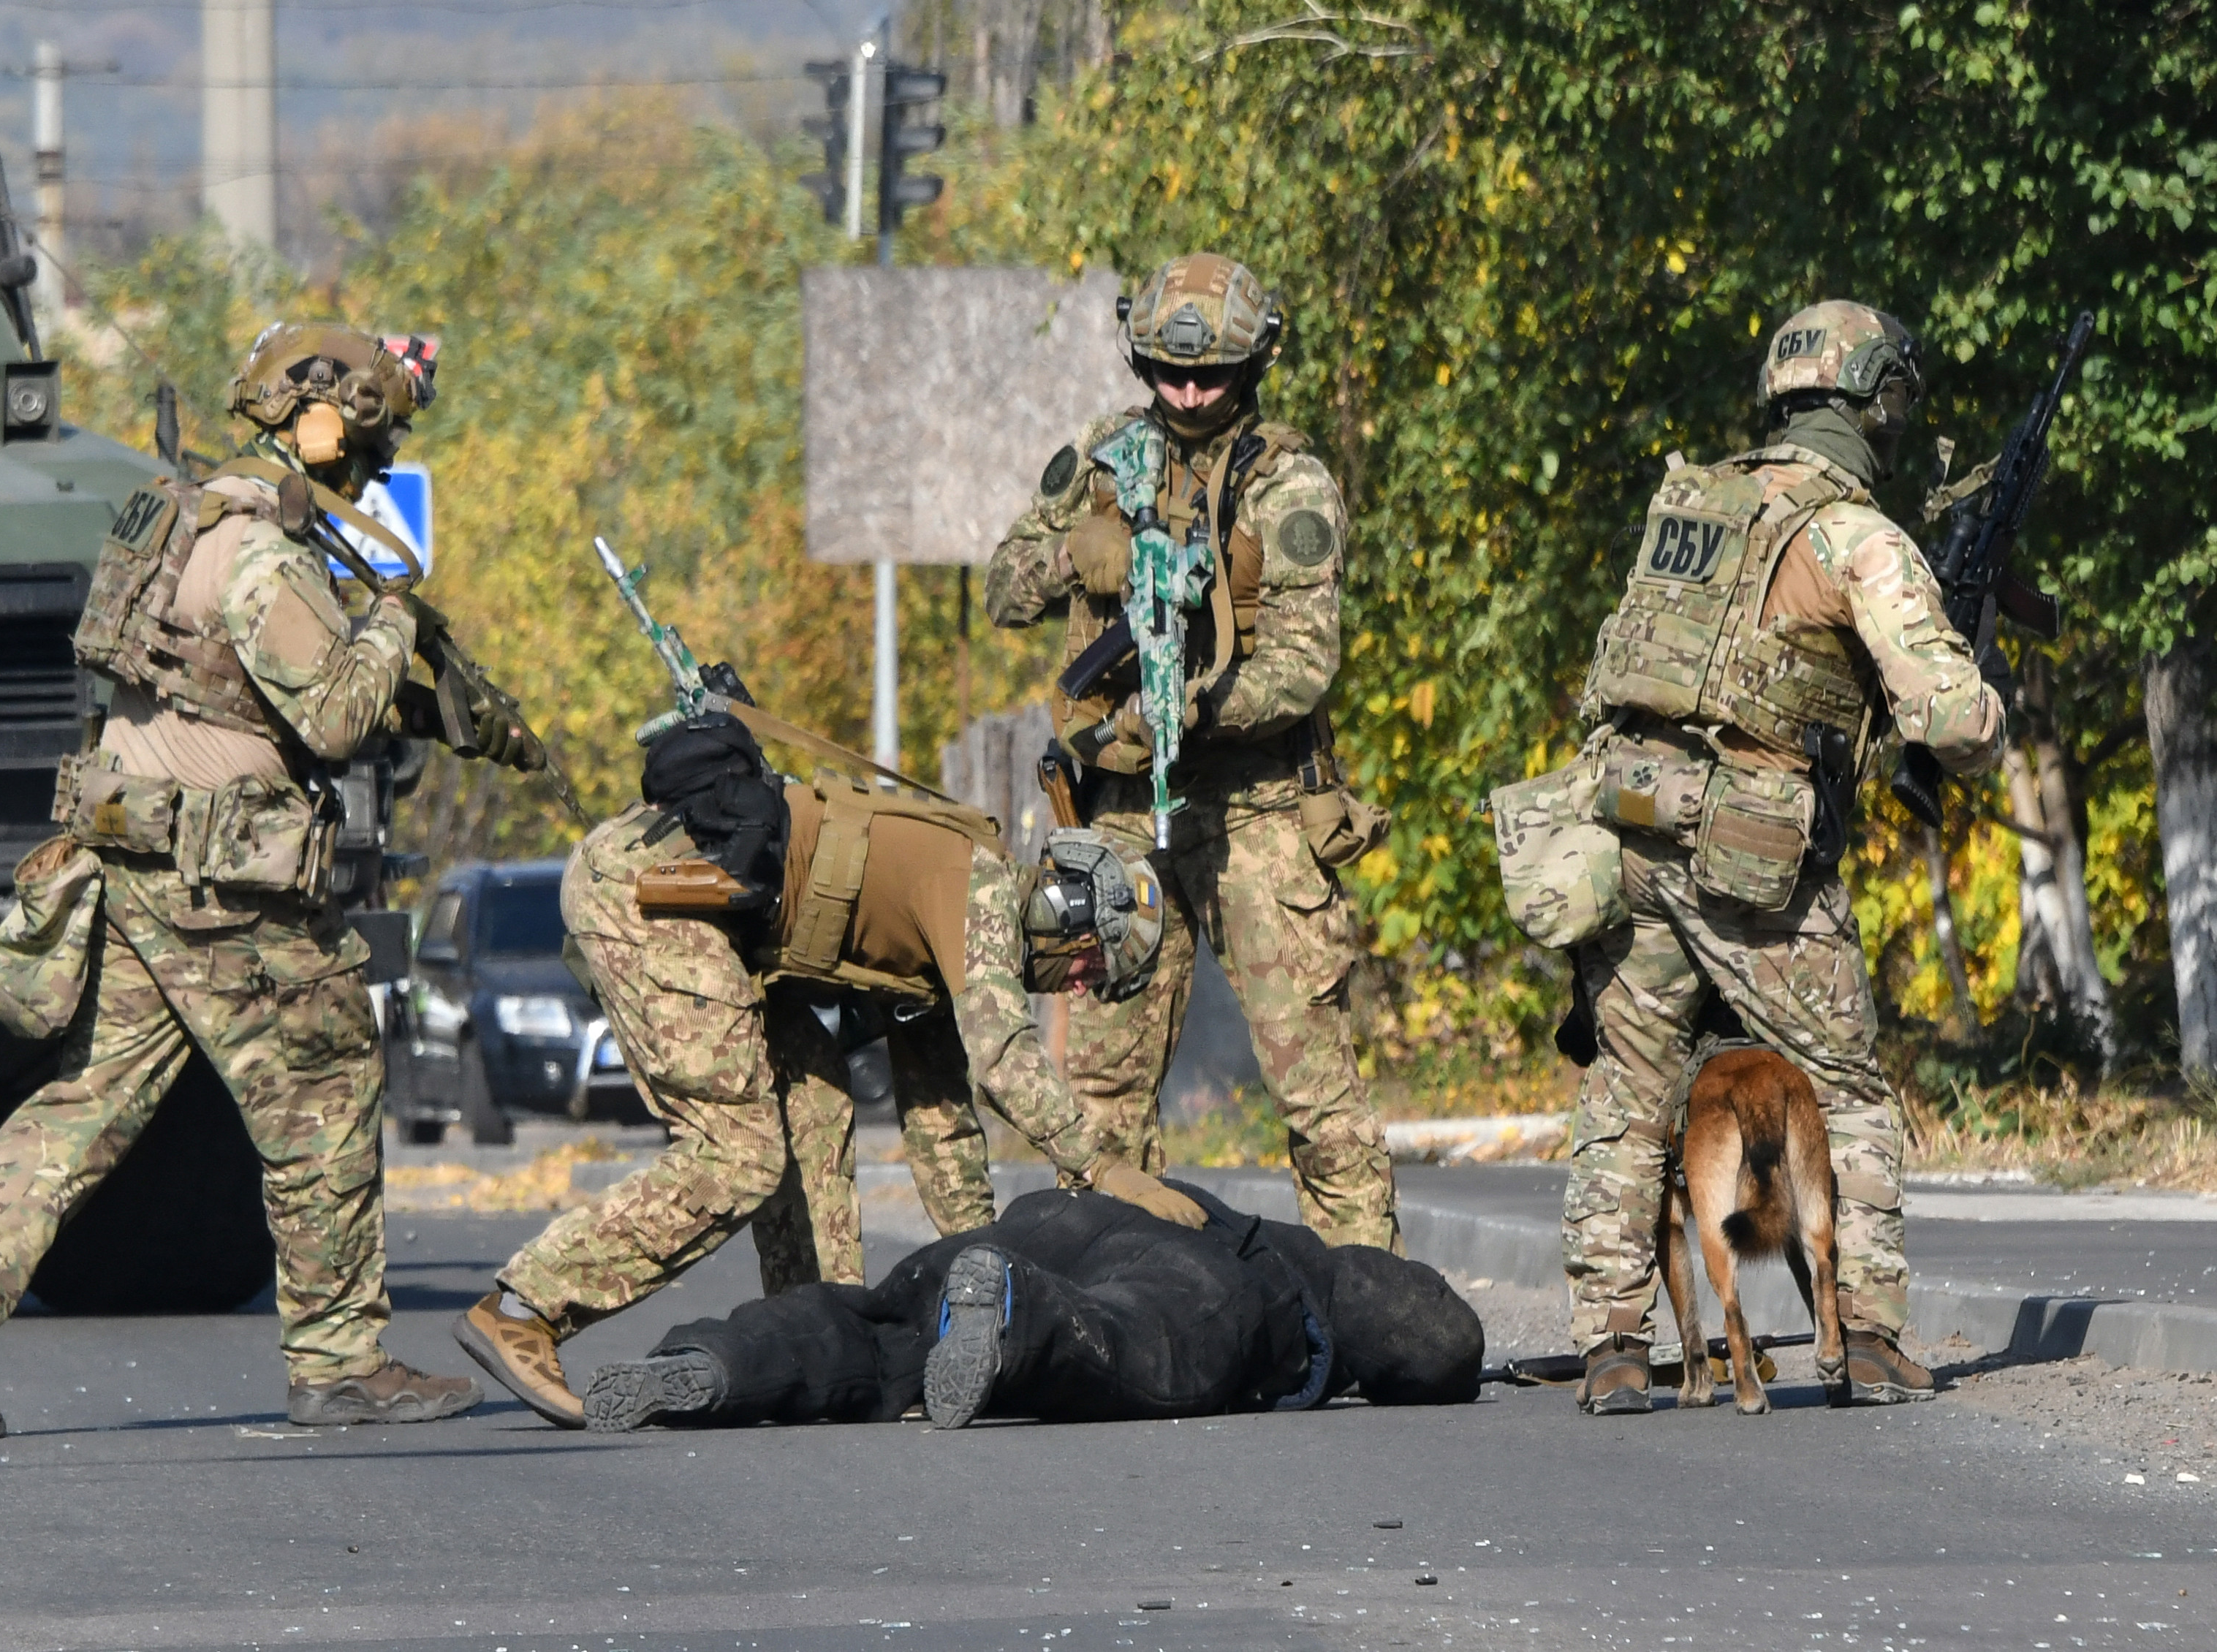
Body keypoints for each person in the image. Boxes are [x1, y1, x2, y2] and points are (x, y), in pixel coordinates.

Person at [0, 324, 520, 1438]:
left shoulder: (181, 519)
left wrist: (436, 710)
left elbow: (235, 690)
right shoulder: (270, 553)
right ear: (321, 429)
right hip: (225, 885)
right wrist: (390, 616)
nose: (372, 469)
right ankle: (339, 1366)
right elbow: (333, 719)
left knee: (87, 1099)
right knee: (326, 1090)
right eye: (370, 445)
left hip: (131, 861)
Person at [450, 713, 1210, 1428]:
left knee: (816, 1100)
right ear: (1067, 911)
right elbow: (1003, 1060)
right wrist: (1102, 1165)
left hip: (698, 915)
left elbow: (944, 1129)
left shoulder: (947, 944)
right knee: (739, 1154)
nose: (1077, 989)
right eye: (1090, 967)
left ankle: (815, 1343)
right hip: (646, 892)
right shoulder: (977, 890)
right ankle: (527, 1308)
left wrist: (991, 1294)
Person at [1554, 301, 2007, 1414]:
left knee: (1626, 1090)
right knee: (1845, 1088)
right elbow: (1951, 720)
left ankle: (1613, 1348)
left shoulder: (1694, 506)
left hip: (1626, 825)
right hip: (1750, 858)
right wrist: (1989, 710)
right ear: (1879, 402)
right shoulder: (1857, 536)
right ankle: (1868, 1336)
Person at [985, 253, 1395, 1251]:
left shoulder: (1286, 485)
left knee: (1314, 1089)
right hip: (1124, 810)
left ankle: (1369, 1290)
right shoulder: (1103, 459)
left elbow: (1303, 665)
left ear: (1252, 366)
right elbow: (1002, 589)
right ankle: (1121, 1289)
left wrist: (1192, 710)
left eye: (1211, 375)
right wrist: (1075, 557)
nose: (1190, 393)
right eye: (1171, 375)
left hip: (1256, 806)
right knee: (1101, 1091)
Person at [580, 1181, 1484, 1432]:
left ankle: (719, 1361)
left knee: (880, 1326)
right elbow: (1441, 1339)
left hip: (1046, 1214)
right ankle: (1014, 1307)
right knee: (1137, 1340)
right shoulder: (1312, 1269)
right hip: (1182, 1256)